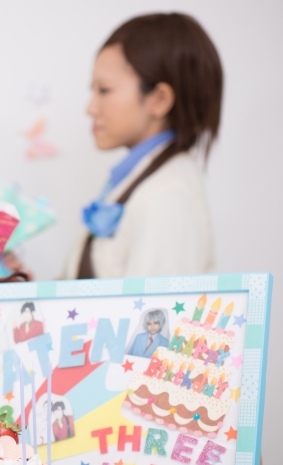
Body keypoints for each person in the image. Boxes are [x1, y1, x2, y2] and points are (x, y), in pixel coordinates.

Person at [65, 13, 221, 279]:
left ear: (159, 100)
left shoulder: (168, 197)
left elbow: (154, 307)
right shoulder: (138, 181)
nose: (90, 108)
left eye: (104, 90)